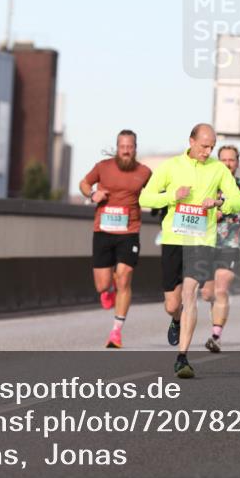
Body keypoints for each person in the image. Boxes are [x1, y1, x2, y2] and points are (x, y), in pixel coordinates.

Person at [139, 124, 240, 378]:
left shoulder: (218, 169)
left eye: (212, 147)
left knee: (190, 294)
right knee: (172, 304)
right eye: (204, 146)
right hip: (174, 239)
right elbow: (145, 198)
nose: (208, 151)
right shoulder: (171, 166)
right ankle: (175, 319)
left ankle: (182, 357)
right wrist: (172, 196)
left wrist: (220, 202)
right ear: (191, 141)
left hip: (201, 241)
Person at [79, 130, 152, 349]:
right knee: (102, 285)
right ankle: (108, 290)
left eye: (130, 147)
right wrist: (92, 194)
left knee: (124, 277)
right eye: (123, 147)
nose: (126, 151)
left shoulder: (144, 172)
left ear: (135, 148)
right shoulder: (103, 167)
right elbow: (84, 184)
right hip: (103, 230)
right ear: (117, 148)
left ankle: (116, 332)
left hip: (129, 231)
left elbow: (157, 193)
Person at [201, 145, 240, 352]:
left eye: (231, 160)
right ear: (217, 161)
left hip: (231, 243)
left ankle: (216, 336)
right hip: (207, 242)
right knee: (207, 294)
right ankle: (216, 315)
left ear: (237, 162)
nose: (228, 164)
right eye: (224, 160)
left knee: (221, 288)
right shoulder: (207, 183)